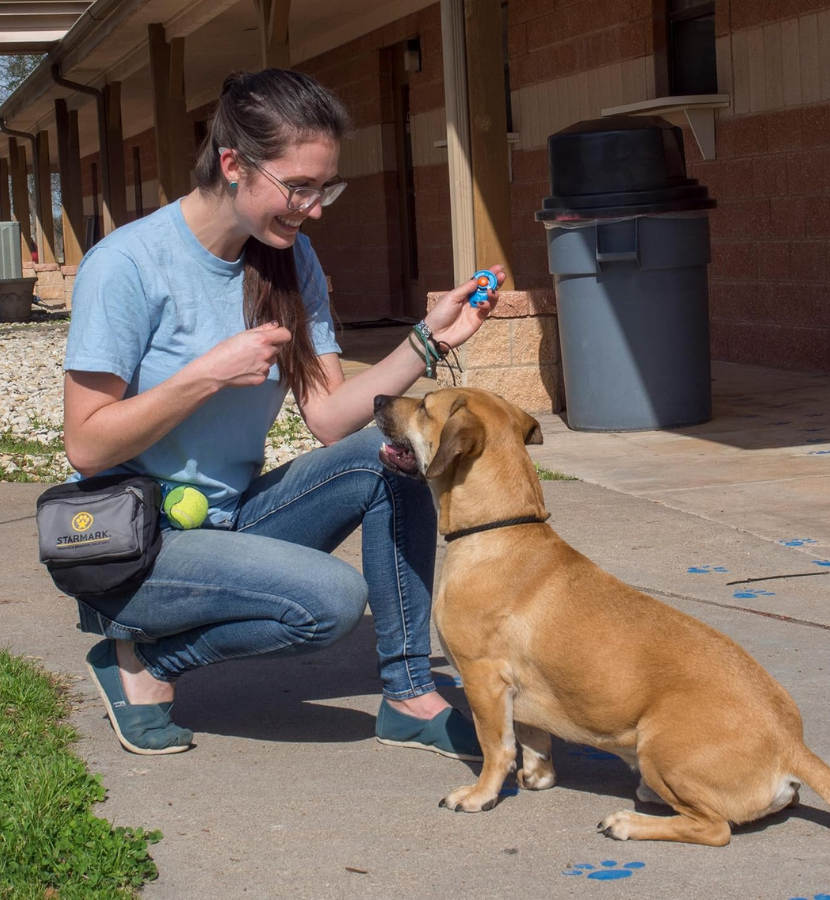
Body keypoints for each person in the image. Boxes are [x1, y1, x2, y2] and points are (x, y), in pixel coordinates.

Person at [63, 68, 504, 756]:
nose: (314, 208)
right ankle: (144, 661)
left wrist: (427, 341)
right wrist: (205, 376)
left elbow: (328, 415)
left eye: (325, 187)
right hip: (136, 541)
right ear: (233, 165)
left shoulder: (289, 259)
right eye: (299, 186)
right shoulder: (126, 265)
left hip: (231, 519)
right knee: (329, 601)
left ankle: (409, 695)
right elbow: (87, 446)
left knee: (392, 459)